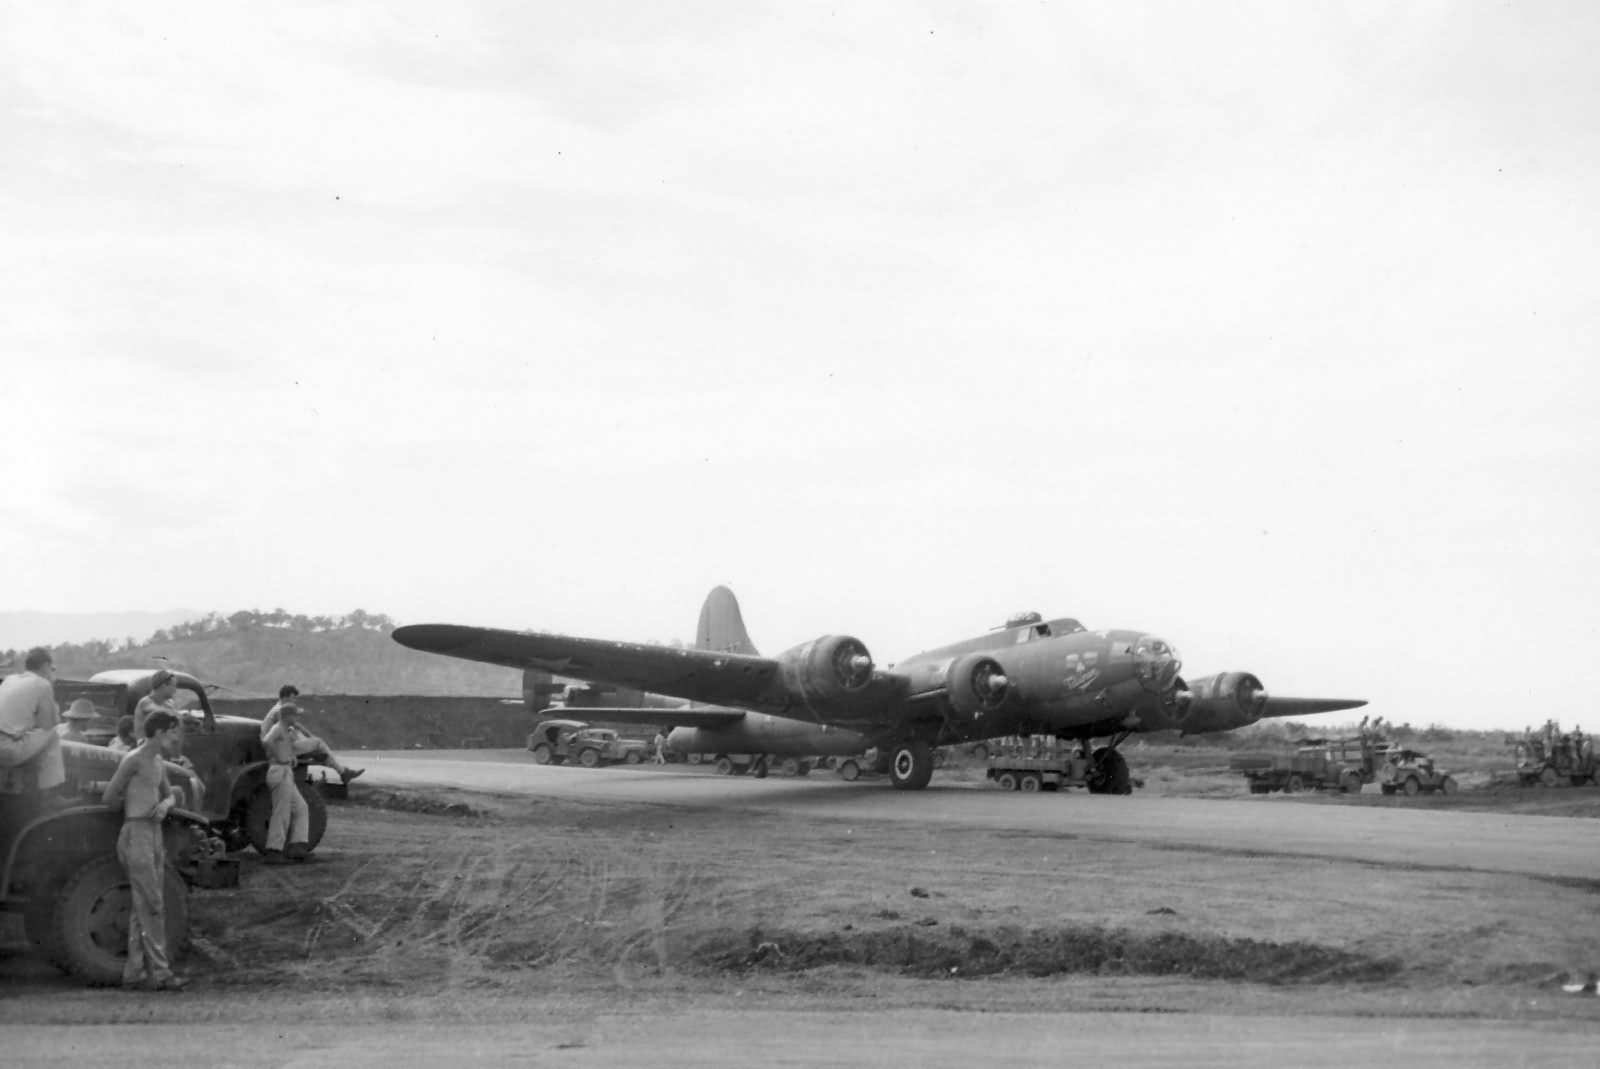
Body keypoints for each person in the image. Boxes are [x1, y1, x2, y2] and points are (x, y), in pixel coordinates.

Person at [101, 709, 188, 991]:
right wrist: (134, 807)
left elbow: (170, 794)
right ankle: (161, 973)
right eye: (172, 731)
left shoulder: (157, 761)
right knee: (152, 904)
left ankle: (135, 971)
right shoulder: (134, 759)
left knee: (145, 904)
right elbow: (109, 796)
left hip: (154, 834)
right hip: (136, 833)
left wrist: (164, 805)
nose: (175, 737)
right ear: (160, 732)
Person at [259, 685, 363, 784]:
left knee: (314, 743)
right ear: (285, 697)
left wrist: (309, 736)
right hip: (279, 748)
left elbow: (296, 725)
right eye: (293, 698)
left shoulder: (279, 709)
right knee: (319, 742)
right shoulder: (280, 711)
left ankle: (339, 769)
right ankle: (342, 772)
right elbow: (288, 733)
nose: (295, 701)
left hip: (277, 745)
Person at [0, 647, 67, 800]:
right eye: (52, 668)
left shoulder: (10, 679)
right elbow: (49, 723)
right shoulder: (43, 684)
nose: (53, 672)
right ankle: (50, 796)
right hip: (5, 748)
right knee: (52, 734)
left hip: (5, 740)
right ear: (45, 666)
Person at [261, 702, 311, 864]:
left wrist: (290, 757)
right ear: (288, 716)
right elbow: (267, 742)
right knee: (281, 811)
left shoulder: (286, 730)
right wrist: (278, 756)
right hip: (279, 771)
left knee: (301, 807)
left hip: (285, 771)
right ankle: (274, 851)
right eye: (295, 715)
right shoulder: (277, 728)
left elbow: (283, 746)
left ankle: (298, 847)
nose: (297, 718)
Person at [133, 669, 181, 737]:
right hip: (145, 745)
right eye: (173, 686)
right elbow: (160, 711)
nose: (175, 690)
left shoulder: (168, 704)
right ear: (164, 686)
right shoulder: (145, 702)